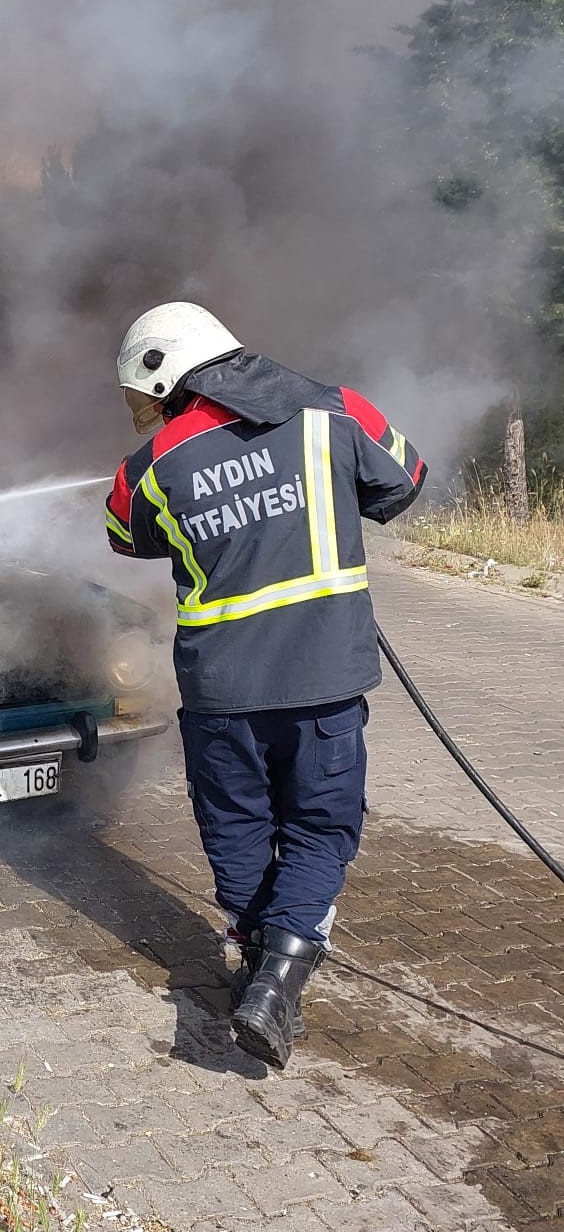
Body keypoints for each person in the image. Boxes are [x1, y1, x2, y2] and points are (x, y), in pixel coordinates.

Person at [105, 303, 426, 1068]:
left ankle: (257, 976)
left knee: (240, 833)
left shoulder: (150, 468)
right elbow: (404, 478)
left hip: (221, 694)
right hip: (323, 681)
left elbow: (124, 533)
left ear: (165, 376)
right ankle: (276, 984)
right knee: (319, 831)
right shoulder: (338, 412)